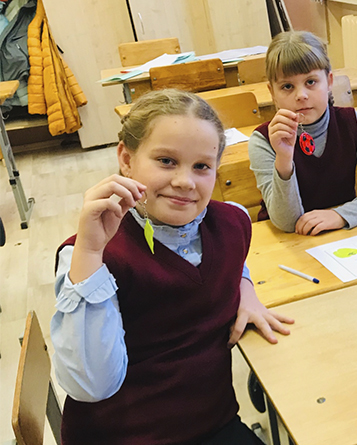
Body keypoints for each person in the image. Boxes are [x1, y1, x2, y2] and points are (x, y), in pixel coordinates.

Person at [50, 89, 294, 444]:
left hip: (212, 425)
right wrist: (90, 251)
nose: (184, 181)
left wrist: (246, 291)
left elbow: (232, 261)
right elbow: (91, 386)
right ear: (126, 159)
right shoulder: (89, 254)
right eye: (166, 161)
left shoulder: (232, 222)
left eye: (202, 167)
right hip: (121, 436)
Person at [249, 31, 357, 236]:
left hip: (340, 234)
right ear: (272, 93)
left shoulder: (349, 122)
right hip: (287, 243)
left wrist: (341, 214)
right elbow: (287, 223)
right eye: (287, 86)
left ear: (329, 81)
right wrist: (284, 159)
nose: (301, 95)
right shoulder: (263, 140)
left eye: (311, 82)